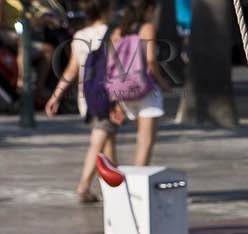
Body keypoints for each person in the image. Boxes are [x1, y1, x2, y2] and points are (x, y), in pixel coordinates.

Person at [44, 0, 118, 204]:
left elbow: (71, 69)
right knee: (99, 138)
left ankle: (115, 187)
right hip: (108, 97)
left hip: (87, 96)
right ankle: (84, 186)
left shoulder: (80, 35)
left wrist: (55, 96)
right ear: (105, 9)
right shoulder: (114, 32)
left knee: (108, 140)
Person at [108, 0, 167, 165]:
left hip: (122, 91)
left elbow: (110, 64)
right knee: (145, 140)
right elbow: (151, 60)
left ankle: (132, 178)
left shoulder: (117, 33)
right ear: (148, 9)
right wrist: (162, 82)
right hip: (145, 89)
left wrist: (114, 100)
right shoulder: (147, 29)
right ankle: (138, 179)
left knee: (140, 135)